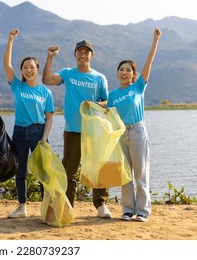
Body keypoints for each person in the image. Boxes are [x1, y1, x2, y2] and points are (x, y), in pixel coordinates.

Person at [42, 40, 112, 218]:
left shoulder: (99, 78)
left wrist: (96, 104)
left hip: (94, 130)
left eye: (86, 52)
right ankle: (67, 206)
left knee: (97, 168)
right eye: (79, 52)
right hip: (72, 130)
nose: (83, 55)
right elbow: (47, 80)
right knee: (69, 171)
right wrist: (50, 58)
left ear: (91, 55)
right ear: (75, 55)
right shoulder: (68, 73)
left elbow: (106, 102)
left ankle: (101, 204)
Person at [107, 28, 161, 222]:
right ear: (117, 73)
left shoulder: (138, 87)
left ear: (133, 74)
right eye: (121, 70)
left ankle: (143, 212)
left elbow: (149, 63)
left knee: (140, 172)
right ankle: (128, 210)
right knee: (125, 175)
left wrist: (155, 41)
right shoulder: (112, 95)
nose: (124, 72)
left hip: (138, 131)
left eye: (128, 70)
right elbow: (106, 112)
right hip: (120, 134)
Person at [3, 29, 54, 218]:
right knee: (20, 170)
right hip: (19, 132)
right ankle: (22, 207)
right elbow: (6, 64)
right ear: (22, 71)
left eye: (32, 67)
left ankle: (45, 207)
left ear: (37, 69)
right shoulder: (18, 86)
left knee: (43, 173)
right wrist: (10, 41)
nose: (28, 70)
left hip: (38, 132)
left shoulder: (45, 92)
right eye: (25, 67)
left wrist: (44, 137)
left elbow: (49, 117)